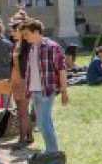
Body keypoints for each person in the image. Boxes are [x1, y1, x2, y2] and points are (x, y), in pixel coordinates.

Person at [18, 20, 68, 155]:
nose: (25, 37)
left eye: (27, 34)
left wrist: (64, 91)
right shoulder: (32, 48)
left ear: (36, 32)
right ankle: (52, 150)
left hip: (46, 90)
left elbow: (61, 70)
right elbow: (30, 71)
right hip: (34, 90)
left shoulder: (53, 47)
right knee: (46, 122)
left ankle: (52, 152)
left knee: (42, 123)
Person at [8, 21, 34, 147]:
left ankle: (22, 139)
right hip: (16, 81)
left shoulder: (27, 46)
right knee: (21, 110)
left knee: (22, 111)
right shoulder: (17, 45)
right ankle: (29, 136)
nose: (12, 33)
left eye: (14, 30)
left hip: (23, 81)